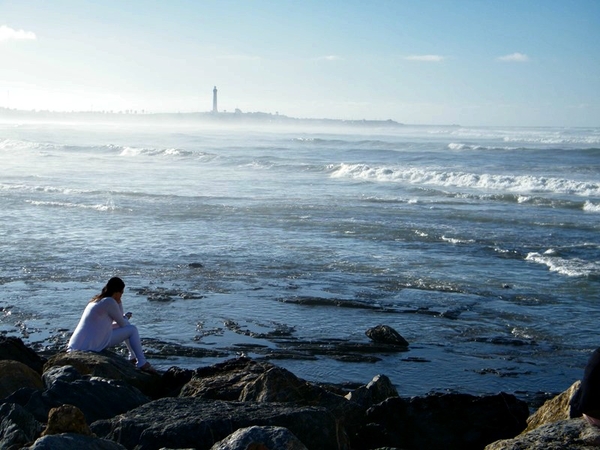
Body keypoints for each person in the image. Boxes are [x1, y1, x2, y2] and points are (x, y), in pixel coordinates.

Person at [67, 277, 158, 374]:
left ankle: (132, 356)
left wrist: (124, 317)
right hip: (89, 346)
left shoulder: (95, 300)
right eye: (121, 293)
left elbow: (115, 323)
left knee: (128, 327)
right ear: (116, 292)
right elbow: (122, 323)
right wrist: (120, 304)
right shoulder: (109, 301)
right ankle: (141, 362)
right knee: (132, 329)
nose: (121, 296)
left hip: (76, 345)